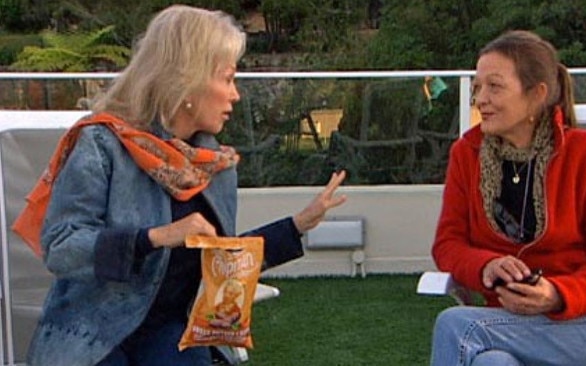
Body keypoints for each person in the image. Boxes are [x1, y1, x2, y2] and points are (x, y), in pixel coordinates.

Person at [12, 5, 347, 366]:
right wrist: (156, 237)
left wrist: (297, 225)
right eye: (228, 78)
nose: (235, 95)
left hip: (168, 332)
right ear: (188, 81)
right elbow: (60, 247)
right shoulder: (101, 143)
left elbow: (222, 261)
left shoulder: (214, 164)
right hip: (91, 334)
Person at [429, 30, 586, 366]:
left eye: (494, 86)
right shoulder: (467, 155)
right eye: (477, 87)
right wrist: (486, 265)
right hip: (508, 322)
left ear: (536, 95)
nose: (480, 98)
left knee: (456, 326)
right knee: (491, 363)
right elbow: (448, 245)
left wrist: (556, 295)